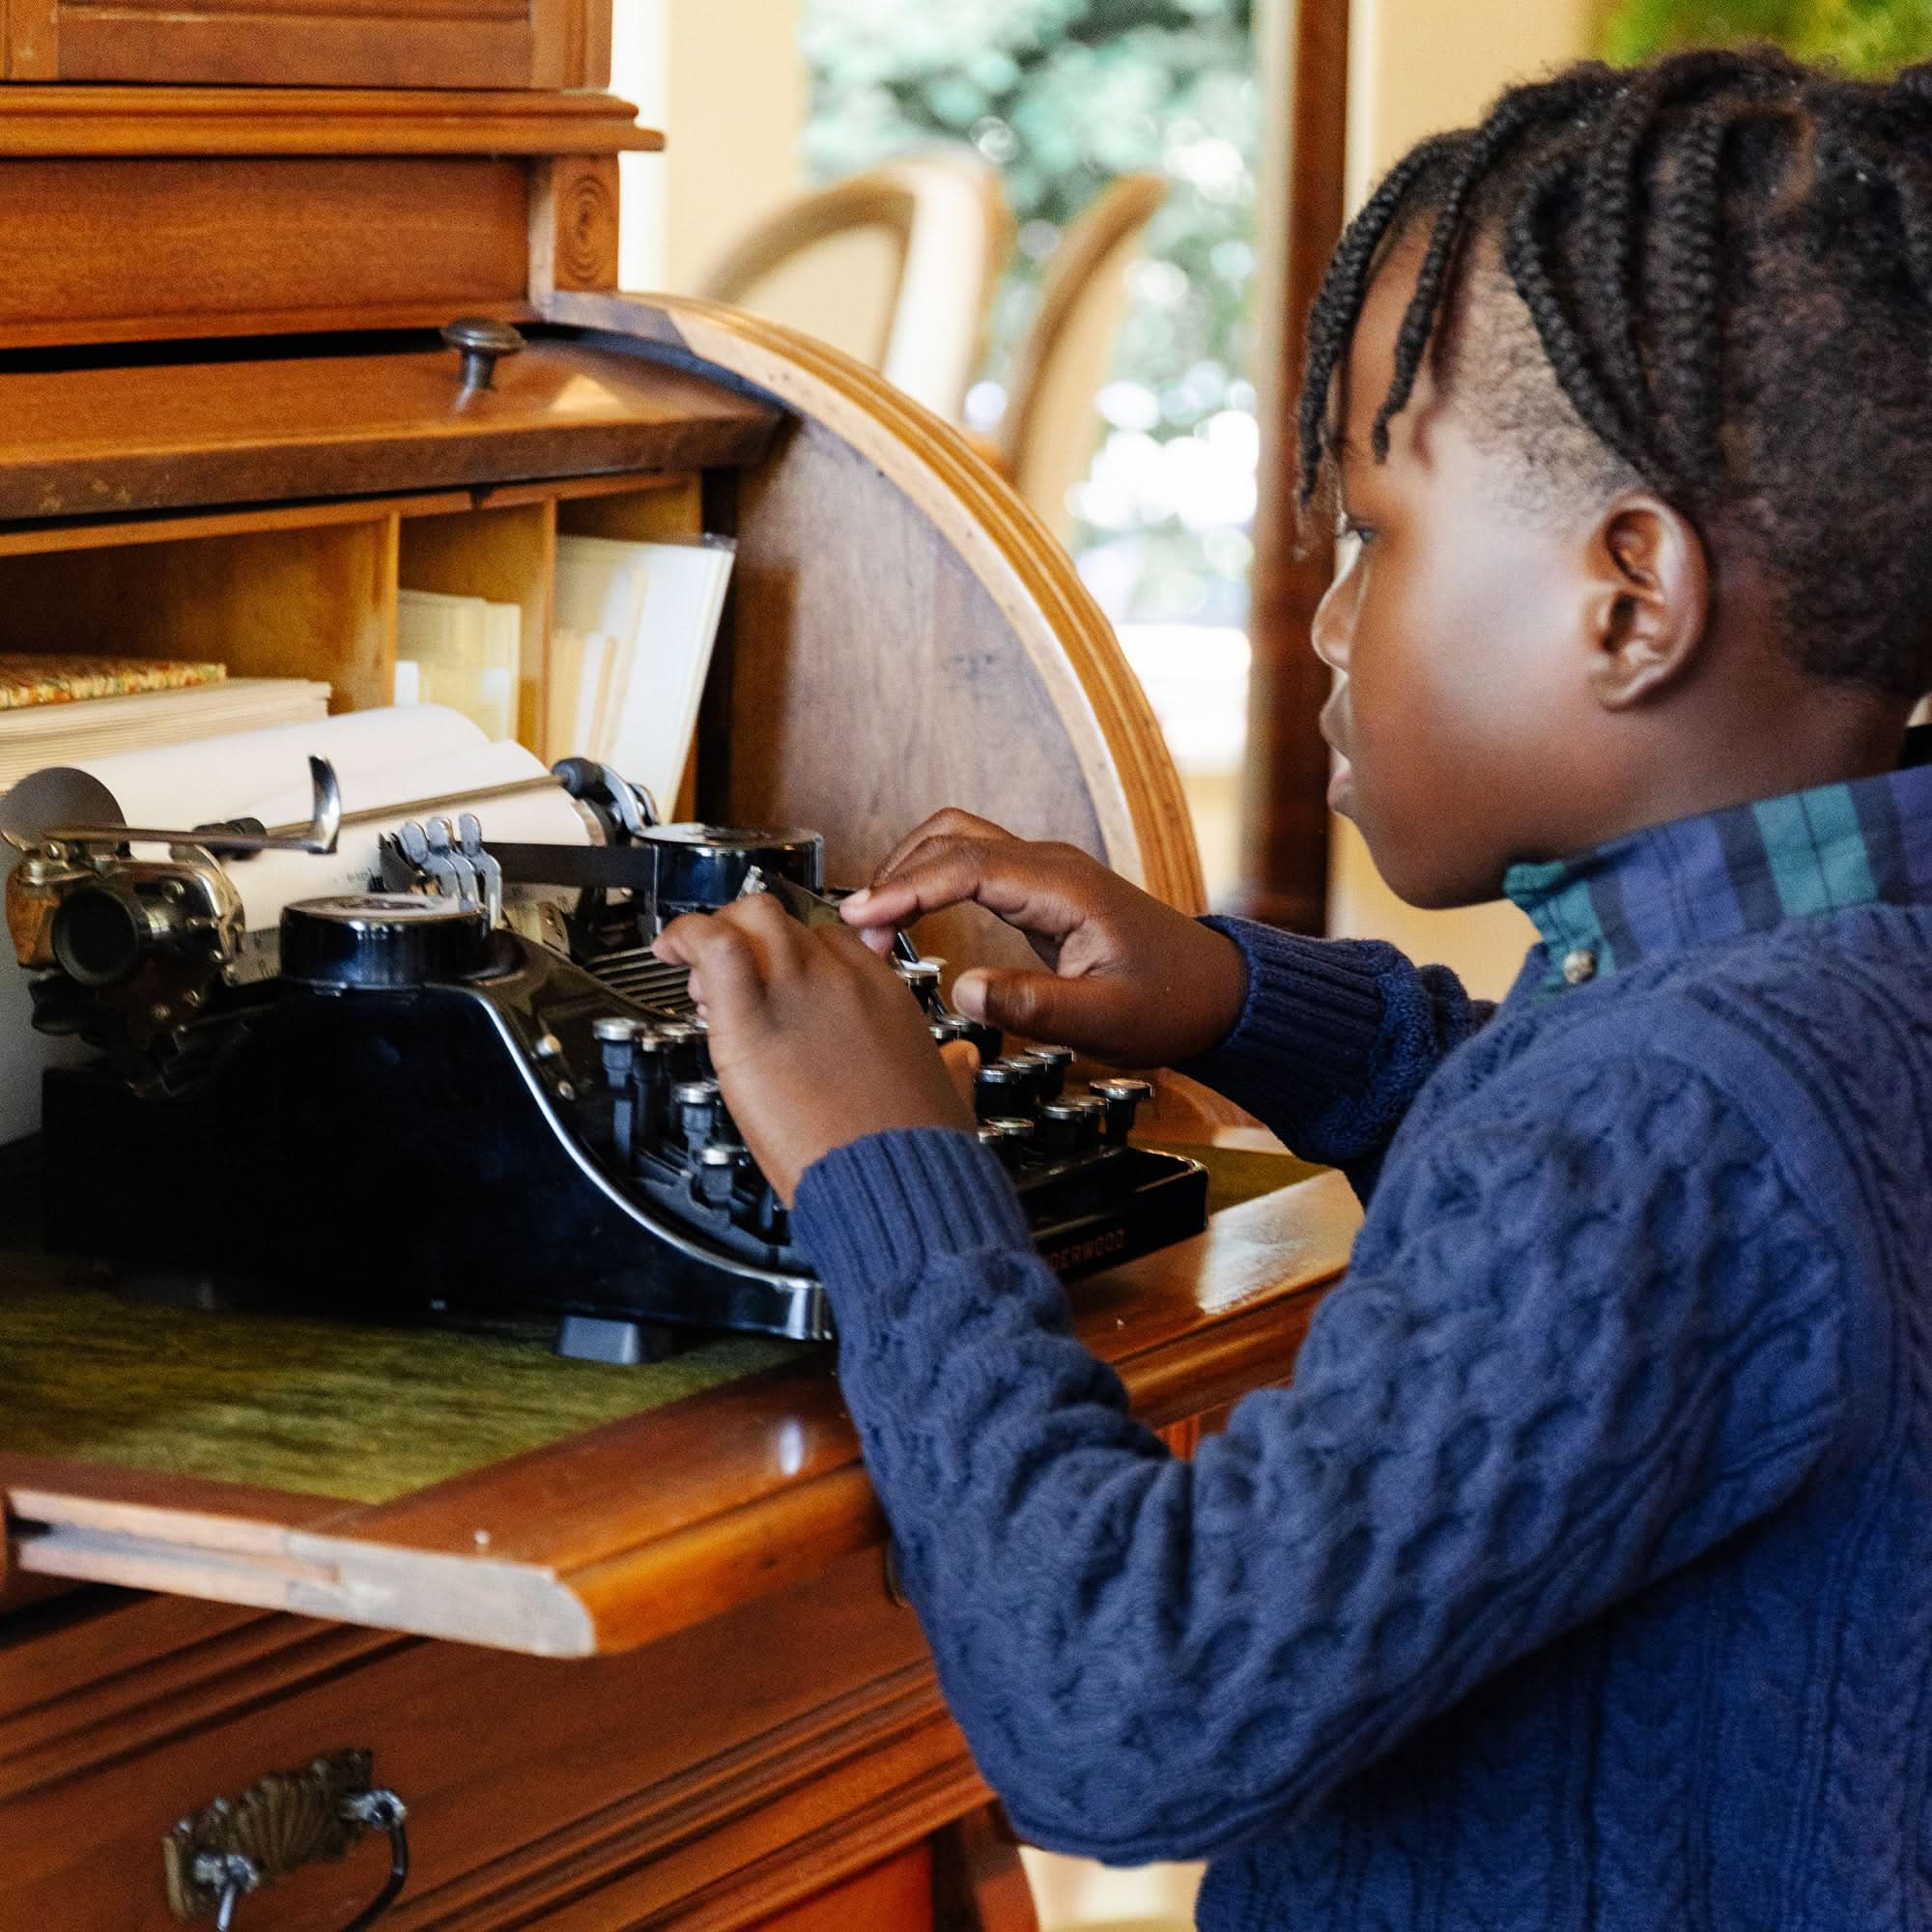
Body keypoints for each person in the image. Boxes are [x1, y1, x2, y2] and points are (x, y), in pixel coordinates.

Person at [655, 47, 1932, 1929]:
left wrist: (890, 1172)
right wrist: (1239, 1000)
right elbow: (1603, 1167)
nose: (1330, 623)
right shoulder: (1831, 980)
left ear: (1628, 598)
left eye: (1375, 534)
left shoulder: (1659, 1118)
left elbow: (1123, 1711)